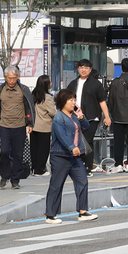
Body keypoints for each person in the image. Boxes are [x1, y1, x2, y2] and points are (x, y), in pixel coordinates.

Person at [45, 91, 98, 224]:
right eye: (70, 100)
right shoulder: (58, 117)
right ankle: (50, 214)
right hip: (60, 156)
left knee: (82, 181)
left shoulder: (74, 116)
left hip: (75, 157)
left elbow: (86, 127)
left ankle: (82, 211)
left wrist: (81, 117)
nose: (73, 102)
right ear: (63, 102)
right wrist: (71, 146)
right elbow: (61, 136)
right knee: (56, 185)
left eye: (74, 99)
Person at [0, 64, 36, 190]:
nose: (11, 81)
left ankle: (15, 180)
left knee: (18, 154)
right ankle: (4, 176)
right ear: (5, 77)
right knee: (4, 151)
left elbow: (30, 107)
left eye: (14, 78)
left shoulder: (24, 90)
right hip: (4, 125)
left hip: (20, 126)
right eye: (9, 78)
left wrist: (30, 123)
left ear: (18, 77)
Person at [64, 59, 110, 174]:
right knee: (76, 141)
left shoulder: (95, 84)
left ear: (90, 70)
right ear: (78, 69)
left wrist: (107, 116)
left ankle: (87, 167)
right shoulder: (73, 83)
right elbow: (66, 100)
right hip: (75, 117)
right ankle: (79, 166)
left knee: (87, 141)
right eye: (81, 67)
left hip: (91, 117)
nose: (83, 70)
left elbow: (102, 101)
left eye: (86, 68)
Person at [30, 76, 56, 176]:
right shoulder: (47, 97)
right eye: (50, 82)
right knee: (43, 149)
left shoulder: (33, 95)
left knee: (34, 148)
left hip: (34, 125)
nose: (51, 83)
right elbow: (52, 112)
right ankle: (40, 169)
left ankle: (34, 168)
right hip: (44, 125)